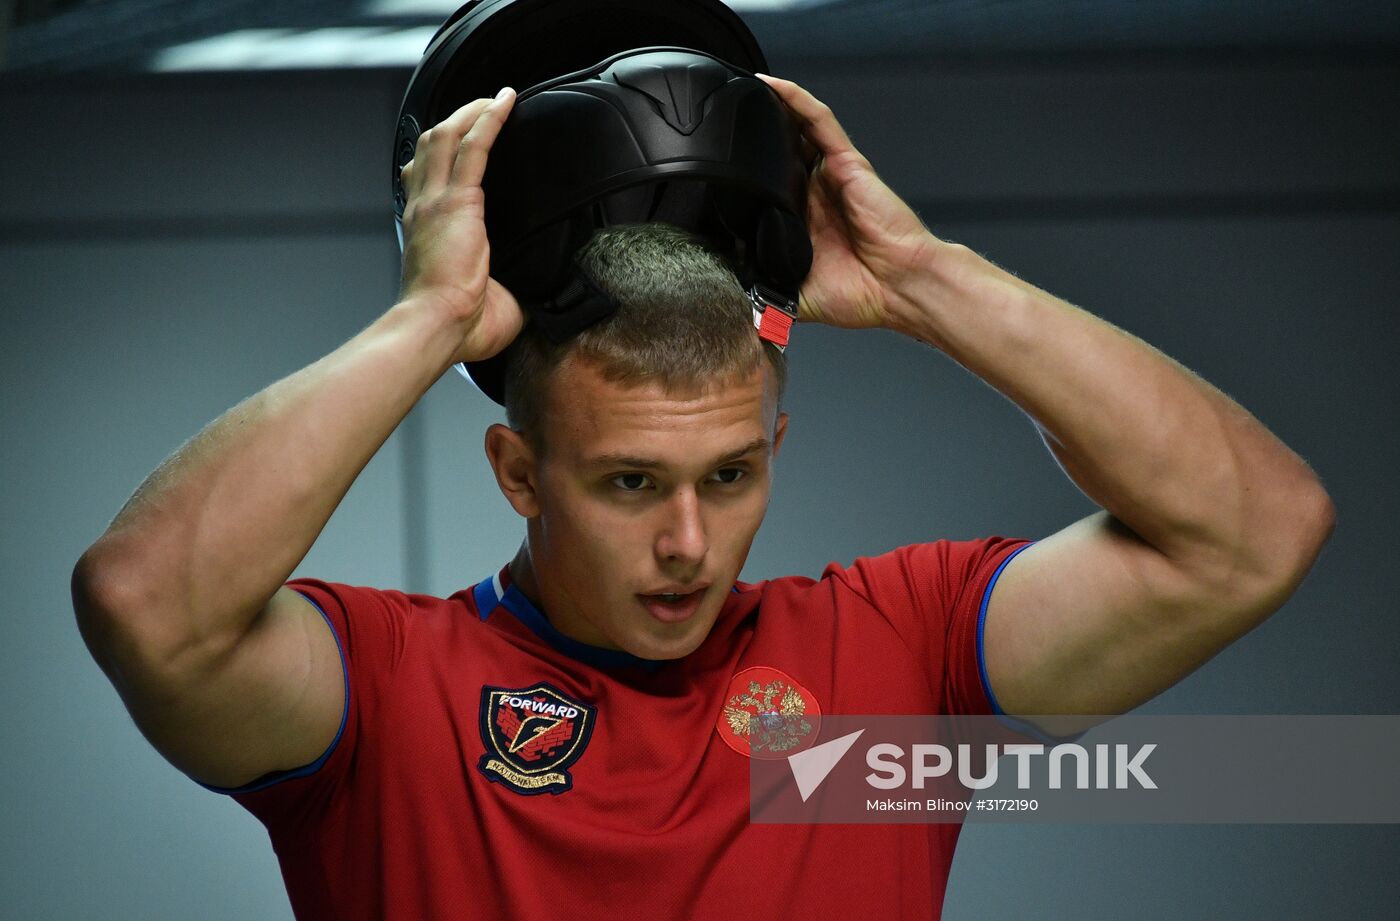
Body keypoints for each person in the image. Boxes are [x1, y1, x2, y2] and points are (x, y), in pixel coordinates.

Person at [71, 75, 1334, 919]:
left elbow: (1250, 534)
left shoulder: (886, 671)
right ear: (519, 474)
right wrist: (429, 320)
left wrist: (921, 279)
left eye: (730, 477)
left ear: (775, 442)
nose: (689, 545)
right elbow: (146, 605)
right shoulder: (388, 697)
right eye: (630, 483)